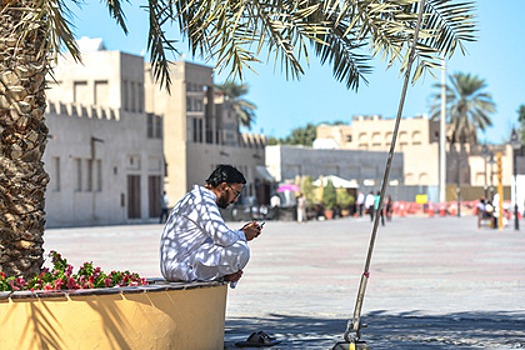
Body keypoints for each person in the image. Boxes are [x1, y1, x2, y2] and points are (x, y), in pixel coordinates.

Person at [160, 164, 262, 283]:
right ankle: (216, 276)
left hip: (179, 263)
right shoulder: (203, 201)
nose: (235, 200)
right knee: (240, 250)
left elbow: (218, 238)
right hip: (179, 267)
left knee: (235, 244)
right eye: (235, 193)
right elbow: (222, 237)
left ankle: (221, 277)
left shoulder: (197, 197)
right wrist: (243, 235)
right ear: (223, 186)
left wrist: (241, 234)